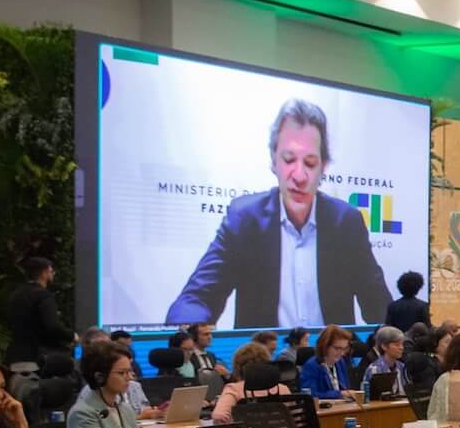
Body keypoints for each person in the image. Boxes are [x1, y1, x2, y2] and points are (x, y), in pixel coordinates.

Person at [165, 97, 392, 327]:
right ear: (274, 160)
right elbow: (198, 296)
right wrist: (186, 331)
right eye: (289, 159)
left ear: (324, 167)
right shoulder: (244, 219)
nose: (299, 176)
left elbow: (378, 304)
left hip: (329, 358)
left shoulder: (346, 222)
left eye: (311, 163)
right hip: (265, 359)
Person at [70, 342, 190, 428]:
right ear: (99, 377)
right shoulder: (82, 413)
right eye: (122, 373)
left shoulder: (124, 409)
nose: (130, 378)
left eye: (129, 372)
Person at [3, 255, 73, 367]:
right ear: (44, 273)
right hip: (37, 358)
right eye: (51, 271)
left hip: (14, 356)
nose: (53, 274)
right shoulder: (43, 296)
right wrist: (71, 336)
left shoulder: (15, 295)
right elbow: (53, 326)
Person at [211, 341, 293, 424]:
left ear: (238, 366)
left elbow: (219, 416)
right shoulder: (282, 389)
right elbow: (296, 417)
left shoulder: (234, 389)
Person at [299, 325, 354, 399]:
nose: (342, 353)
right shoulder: (312, 366)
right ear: (325, 346)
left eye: (344, 349)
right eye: (337, 348)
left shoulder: (341, 362)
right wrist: (339, 394)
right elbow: (310, 395)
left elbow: (347, 390)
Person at [365, 326, 411, 391]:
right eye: (397, 345)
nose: (401, 348)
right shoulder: (374, 369)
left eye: (402, 344)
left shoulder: (402, 367)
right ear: (384, 346)